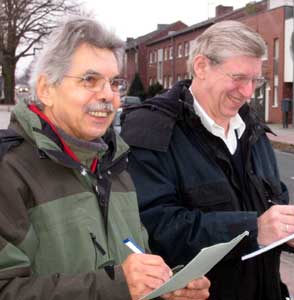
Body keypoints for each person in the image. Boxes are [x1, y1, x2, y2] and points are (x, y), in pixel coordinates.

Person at [0, 16, 210, 300]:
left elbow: (133, 255)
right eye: (90, 80)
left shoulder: (115, 165)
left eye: (114, 83)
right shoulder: (9, 170)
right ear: (46, 89)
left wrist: (164, 287)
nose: (108, 96)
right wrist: (119, 286)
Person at [121, 20, 294, 300]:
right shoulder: (152, 131)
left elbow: (272, 201)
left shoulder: (252, 130)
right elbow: (154, 228)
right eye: (238, 78)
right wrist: (253, 229)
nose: (249, 92)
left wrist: (290, 231)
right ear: (201, 67)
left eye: (255, 80)